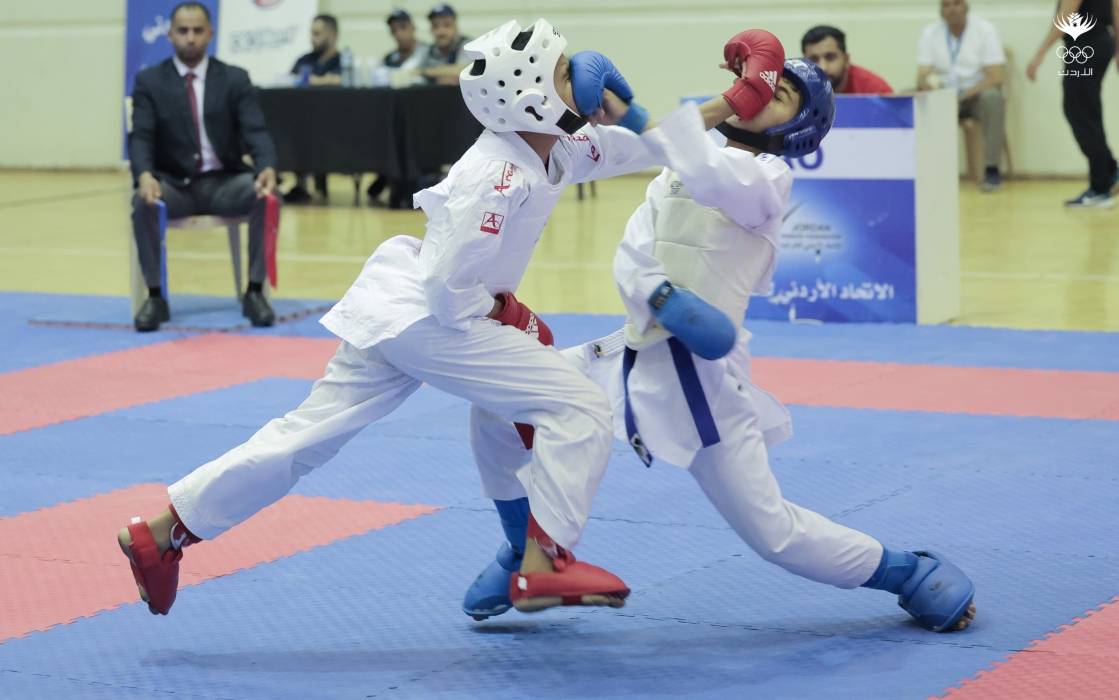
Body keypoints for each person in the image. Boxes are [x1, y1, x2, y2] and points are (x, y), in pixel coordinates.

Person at [115, 18, 727, 620]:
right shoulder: (497, 173)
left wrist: (733, 101)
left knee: (306, 436)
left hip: (400, 309)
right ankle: (544, 561)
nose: (584, 76)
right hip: (431, 314)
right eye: (566, 71)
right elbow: (447, 286)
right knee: (580, 406)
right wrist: (509, 313)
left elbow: (649, 145)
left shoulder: (554, 147)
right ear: (535, 98)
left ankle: (165, 532)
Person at [462, 31, 978, 635]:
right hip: (629, 355)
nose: (757, 95)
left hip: (701, 385)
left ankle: (906, 572)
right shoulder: (677, 166)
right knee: (495, 408)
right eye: (757, 84)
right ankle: (524, 551)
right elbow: (632, 251)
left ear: (796, 127)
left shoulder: (766, 180)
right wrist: (658, 294)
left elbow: (710, 173)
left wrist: (636, 114)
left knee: (773, 533)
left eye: (777, 95)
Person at [129, 2, 278, 331]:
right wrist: (144, 175)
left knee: (265, 196)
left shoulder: (235, 79)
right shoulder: (149, 81)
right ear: (170, 35)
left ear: (210, 33)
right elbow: (141, 136)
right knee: (144, 201)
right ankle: (155, 296)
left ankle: (255, 291)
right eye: (183, 31)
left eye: (198, 31)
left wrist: (267, 167)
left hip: (225, 184)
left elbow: (256, 131)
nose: (190, 38)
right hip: (174, 186)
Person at [1027, 0, 1119, 208]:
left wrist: (1040, 53)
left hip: (1085, 47)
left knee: (1080, 114)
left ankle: (1101, 186)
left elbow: (1065, 16)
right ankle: (1109, 171)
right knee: (1087, 113)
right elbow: (1116, 7)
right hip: (1101, 42)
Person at [917, 0, 1007, 192]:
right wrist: (926, 84)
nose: (951, 10)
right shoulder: (930, 33)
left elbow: (996, 77)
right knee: (911, 99)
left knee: (993, 98)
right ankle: (927, 171)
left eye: (956, 4)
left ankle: (991, 170)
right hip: (942, 96)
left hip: (974, 95)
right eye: (946, 5)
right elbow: (923, 73)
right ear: (940, 11)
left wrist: (962, 95)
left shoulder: (985, 30)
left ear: (966, 7)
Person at [366, 9, 430, 207]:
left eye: (402, 28)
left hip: (422, 119)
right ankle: (389, 176)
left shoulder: (428, 54)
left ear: (413, 28)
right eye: (394, 30)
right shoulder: (389, 58)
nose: (399, 34)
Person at [285, 14, 343, 205]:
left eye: (317, 33)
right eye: (311, 33)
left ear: (332, 35)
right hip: (304, 122)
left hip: (336, 123)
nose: (312, 38)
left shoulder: (343, 61)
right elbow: (291, 82)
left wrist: (315, 80)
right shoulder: (304, 60)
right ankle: (300, 185)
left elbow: (343, 80)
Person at [801, 25, 893, 94]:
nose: (823, 67)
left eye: (830, 57)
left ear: (846, 60)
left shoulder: (873, 90)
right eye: (813, 60)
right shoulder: (797, 90)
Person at [418, 4, 471, 85]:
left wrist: (427, 72)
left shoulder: (468, 46)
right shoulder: (428, 51)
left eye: (446, 25)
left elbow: (462, 73)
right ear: (431, 29)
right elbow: (415, 75)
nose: (441, 31)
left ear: (456, 27)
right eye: (435, 26)